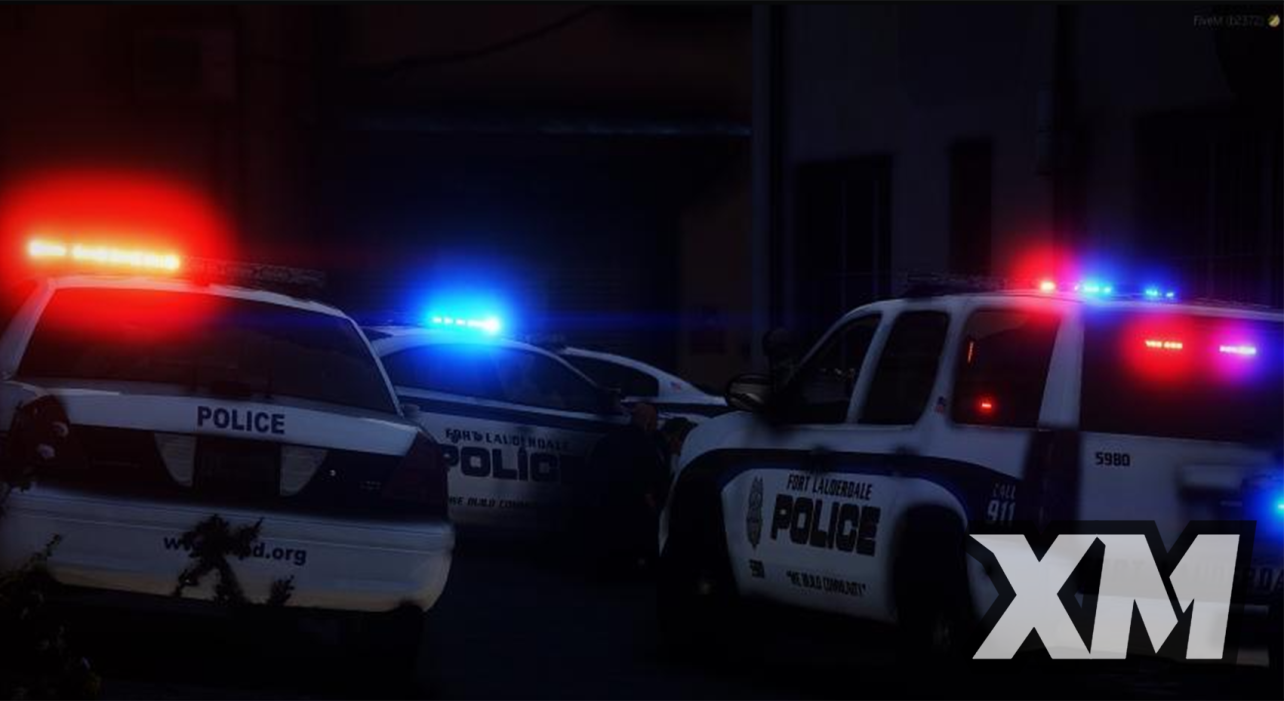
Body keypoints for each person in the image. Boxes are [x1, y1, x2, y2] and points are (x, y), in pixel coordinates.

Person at [576, 402, 669, 575]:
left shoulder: (608, 440)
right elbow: (649, 482)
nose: (656, 426)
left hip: (602, 509)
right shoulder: (646, 447)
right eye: (655, 421)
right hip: (632, 513)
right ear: (649, 421)